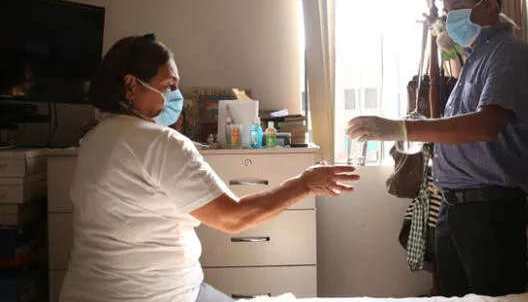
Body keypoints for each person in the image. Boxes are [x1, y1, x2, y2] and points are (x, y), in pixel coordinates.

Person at [59, 34, 360, 302]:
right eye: (169, 86)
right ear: (130, 85)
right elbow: (233, 218)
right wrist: (304, 184)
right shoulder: (159, 143)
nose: (174, 96)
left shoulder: (95, 138)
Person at [347, 0, 528, 297]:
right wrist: (423, 128)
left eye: (456, 8)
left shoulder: (509, 54)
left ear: (489, 2)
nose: (450, 19)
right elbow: (462, 127)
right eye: (447, 11)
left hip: (489, 211)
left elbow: (485, 126)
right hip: (457, 209)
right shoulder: (476, 58)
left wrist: (402, 129)